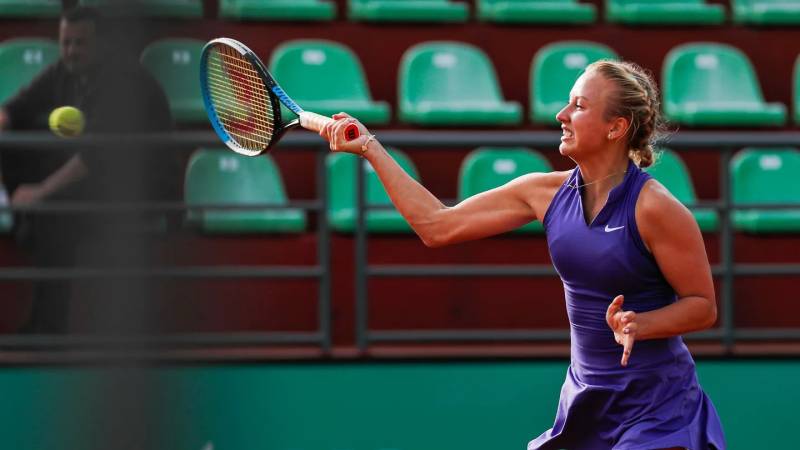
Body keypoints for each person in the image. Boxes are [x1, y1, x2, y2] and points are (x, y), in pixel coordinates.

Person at [319, 60, 726, 449]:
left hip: (657, 406)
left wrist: (641, 323)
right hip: (587, 399)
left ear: (616, 127)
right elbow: (437, 225)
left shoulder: (655, 208)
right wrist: (371, 148)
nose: (561, 114)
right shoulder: (541, 192)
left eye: (580, 106)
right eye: (568, 102)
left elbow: (703, 307)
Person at [0, 6, 178, 333]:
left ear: (101, 45)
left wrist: (39, 194)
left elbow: (94, 157)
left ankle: (48, 328)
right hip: (98, 182)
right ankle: (23, 215)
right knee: (15, 148)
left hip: (140, 191)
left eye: (80, 44)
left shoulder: (124, 82)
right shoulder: (63, 72)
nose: (71, 52)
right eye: (66, 43)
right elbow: (14, 110)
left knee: (55, 214)